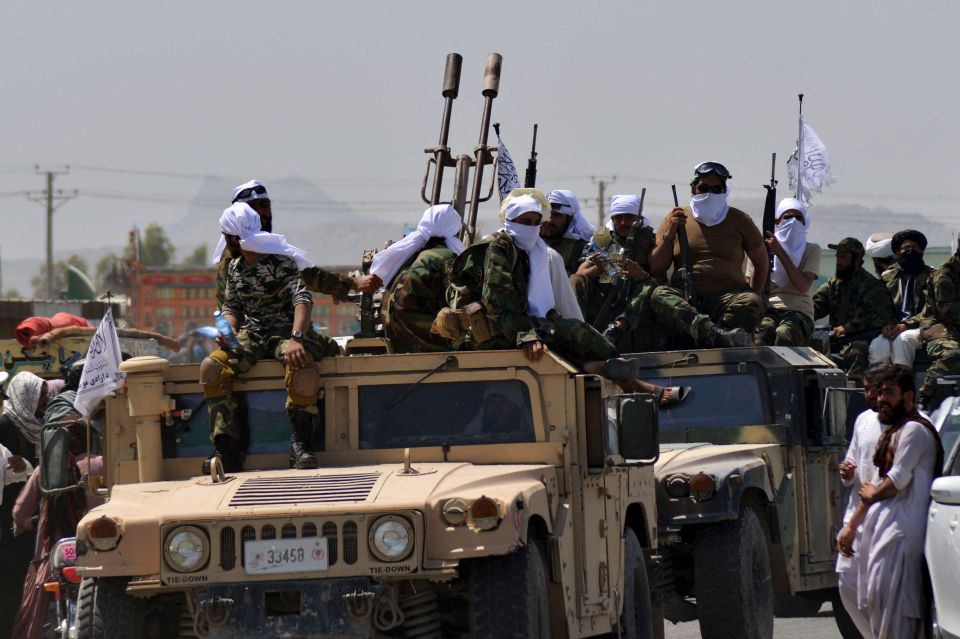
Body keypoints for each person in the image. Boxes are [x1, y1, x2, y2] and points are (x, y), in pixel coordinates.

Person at [441, 194, 688, 406]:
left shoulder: (530, 250)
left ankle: (607, 370)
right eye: (525, 222)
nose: (532, 227)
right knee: (576, 330)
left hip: (519, 324)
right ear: (510, 221)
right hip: (498, 330)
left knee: (566, 342)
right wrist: (527, 336)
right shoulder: (499, 248)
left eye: (537, 222)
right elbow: (497, 304)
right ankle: (632, 379)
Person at [203, 203, 340, 471]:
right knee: (212, 367)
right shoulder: (235, 268)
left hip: (285, 331)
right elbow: (232, 307)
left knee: (301, 367)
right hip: (252, 335)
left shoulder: (280, 263)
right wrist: (227, 331)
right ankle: (226, 448)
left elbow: (302, 300)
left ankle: (301, 446)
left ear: (233, 237)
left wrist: (297, 338)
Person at [837, 365, 943, 639]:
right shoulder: (887, 428)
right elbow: (872, 485)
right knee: (873, 604)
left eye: (888, 393)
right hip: (881, 531)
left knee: (897, 616)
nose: (880, 398)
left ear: (908, 397)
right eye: (878, 392)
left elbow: (893, 481)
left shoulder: (915, 430)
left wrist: (862, 509)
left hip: (901, 533)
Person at [648, 161, 767, 332]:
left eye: (716, 189)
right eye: (704, 188)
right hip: (687, 299)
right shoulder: (676, 217)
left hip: (729, 297)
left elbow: (761, 262)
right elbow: (656, 267)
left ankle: (713, 332)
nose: (709, 194)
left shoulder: (740, 219)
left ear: (724, 191)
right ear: (693, 189)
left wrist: (755, 292)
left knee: (753, 302)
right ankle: (715, 334)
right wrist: (671, 232)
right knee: (659, 295)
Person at [355, 204, 465, 353]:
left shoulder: (410, 254)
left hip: (397, 339)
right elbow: (463, 299)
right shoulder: (444, 257)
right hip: (423, 342)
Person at [835, 365, 884, 638]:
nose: (868, 395)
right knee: (848, 585)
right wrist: (847, 473)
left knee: (883, 594)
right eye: (865, 389)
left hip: (887, 520)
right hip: (855, 517)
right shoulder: (863, 420)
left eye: (873, 390)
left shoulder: (914, 424)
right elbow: (851, 461)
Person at [813, 237, 895, 379]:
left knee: (857, 351)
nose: (839, 262)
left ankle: (854, 394)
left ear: (857, 260)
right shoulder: (833, 284)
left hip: (861, 339)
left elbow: (878, 316)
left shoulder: (872, 286)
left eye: (844, 258)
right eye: (838, 257)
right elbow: (816, 306)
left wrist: (848, 328)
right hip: (836, 339)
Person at [571, 194, 655, 326]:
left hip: (637, 297)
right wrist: (600, 267)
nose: (623, 222)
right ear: (612, 219)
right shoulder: (601, 238)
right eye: (619, 218)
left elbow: (658, 272)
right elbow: (580, 274)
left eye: (629, 217)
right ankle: (577, 328)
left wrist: (640, 274)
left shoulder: (649, 238)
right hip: (605, 296)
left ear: (638, 219)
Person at [756, 198, 821, 346]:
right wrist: (762, 254)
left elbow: (803, 285)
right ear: (777, 222)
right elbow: (753, 287)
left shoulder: (811, 250)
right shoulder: (762, 249)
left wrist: (780, 252)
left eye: (799, 218)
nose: (794, 222)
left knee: (784, 334)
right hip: (769, 309)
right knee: (762, 335)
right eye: (788, 217)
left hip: (799, 311)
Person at [869, 230, 933, 368]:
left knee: (903, 340)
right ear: (897, 253)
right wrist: (887, 325)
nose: (910, 251)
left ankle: (902, 383)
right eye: (905, 248)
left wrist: (907, 325)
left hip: (922, 327)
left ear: (921, 251)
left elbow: (932, 309)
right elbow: (882, 308)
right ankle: (880, 385)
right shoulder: (888, 278)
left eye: (914, 248)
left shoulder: (933, 277)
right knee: (878, 345)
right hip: (895, 328)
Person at [215, 179, 275, 310]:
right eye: (252, 207)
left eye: (264, 205)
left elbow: (301, 275)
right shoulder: (233, 256)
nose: (261, 212)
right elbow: (227, 307)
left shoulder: (273, 246)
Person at [917, 236, 960, 408]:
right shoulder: (944, 275)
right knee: (954, 354)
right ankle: (924, 398)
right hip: (940, 327)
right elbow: (947, 311)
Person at [540, 190, 595, 275]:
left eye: (556, 215)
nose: (550, 220)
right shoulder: (535, 241)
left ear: (570, 219)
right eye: (548, 214)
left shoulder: (582, 248)